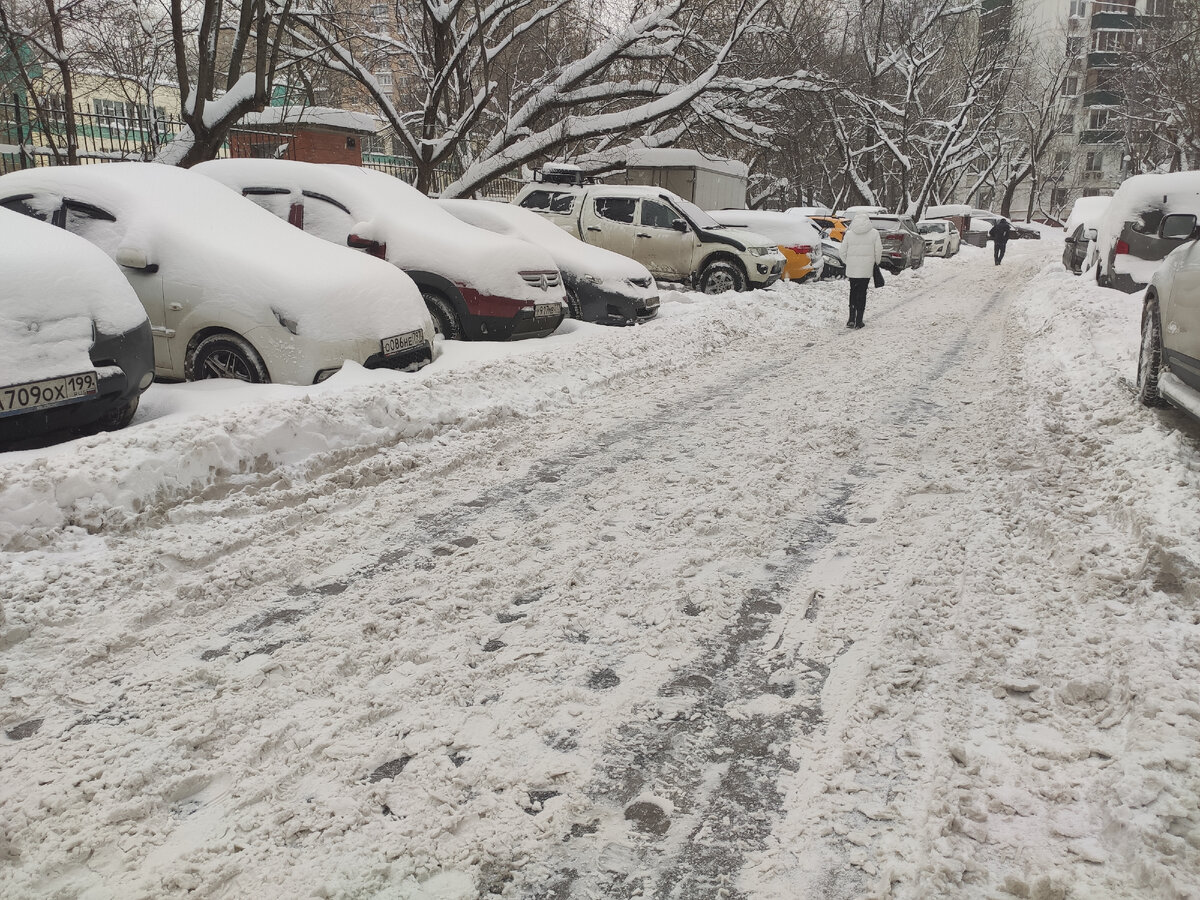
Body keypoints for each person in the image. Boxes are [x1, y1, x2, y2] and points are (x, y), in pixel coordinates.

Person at [841, 213, 883, 329]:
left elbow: (842, 251)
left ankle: (851, 319)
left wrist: (848, 262)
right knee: (862, 292)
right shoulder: (874, 233)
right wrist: (876, 262)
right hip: (866, 268)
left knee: (853, 291)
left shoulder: (849, 234)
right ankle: (859, 320)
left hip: (853, 268)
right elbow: (878, 250)